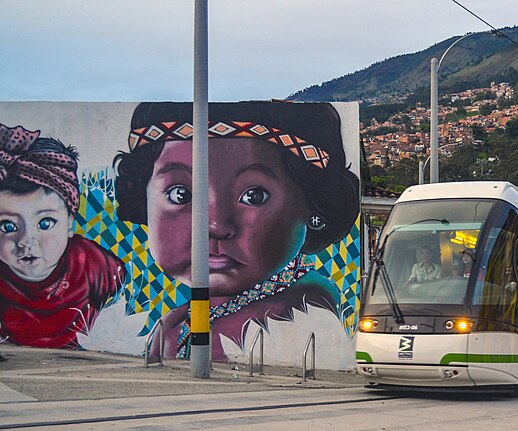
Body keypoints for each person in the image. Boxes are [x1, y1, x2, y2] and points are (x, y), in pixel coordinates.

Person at [114, 102, 359, 361]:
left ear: (312, 204)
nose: (216, 226)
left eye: (254, 196)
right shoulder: (187, 316)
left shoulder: (297, 312)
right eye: (180, 194)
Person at [0, 123, 126, 348]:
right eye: (7, 226)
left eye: (45, 223)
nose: (27, 241)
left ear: (70, 222)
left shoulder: (96, 267)